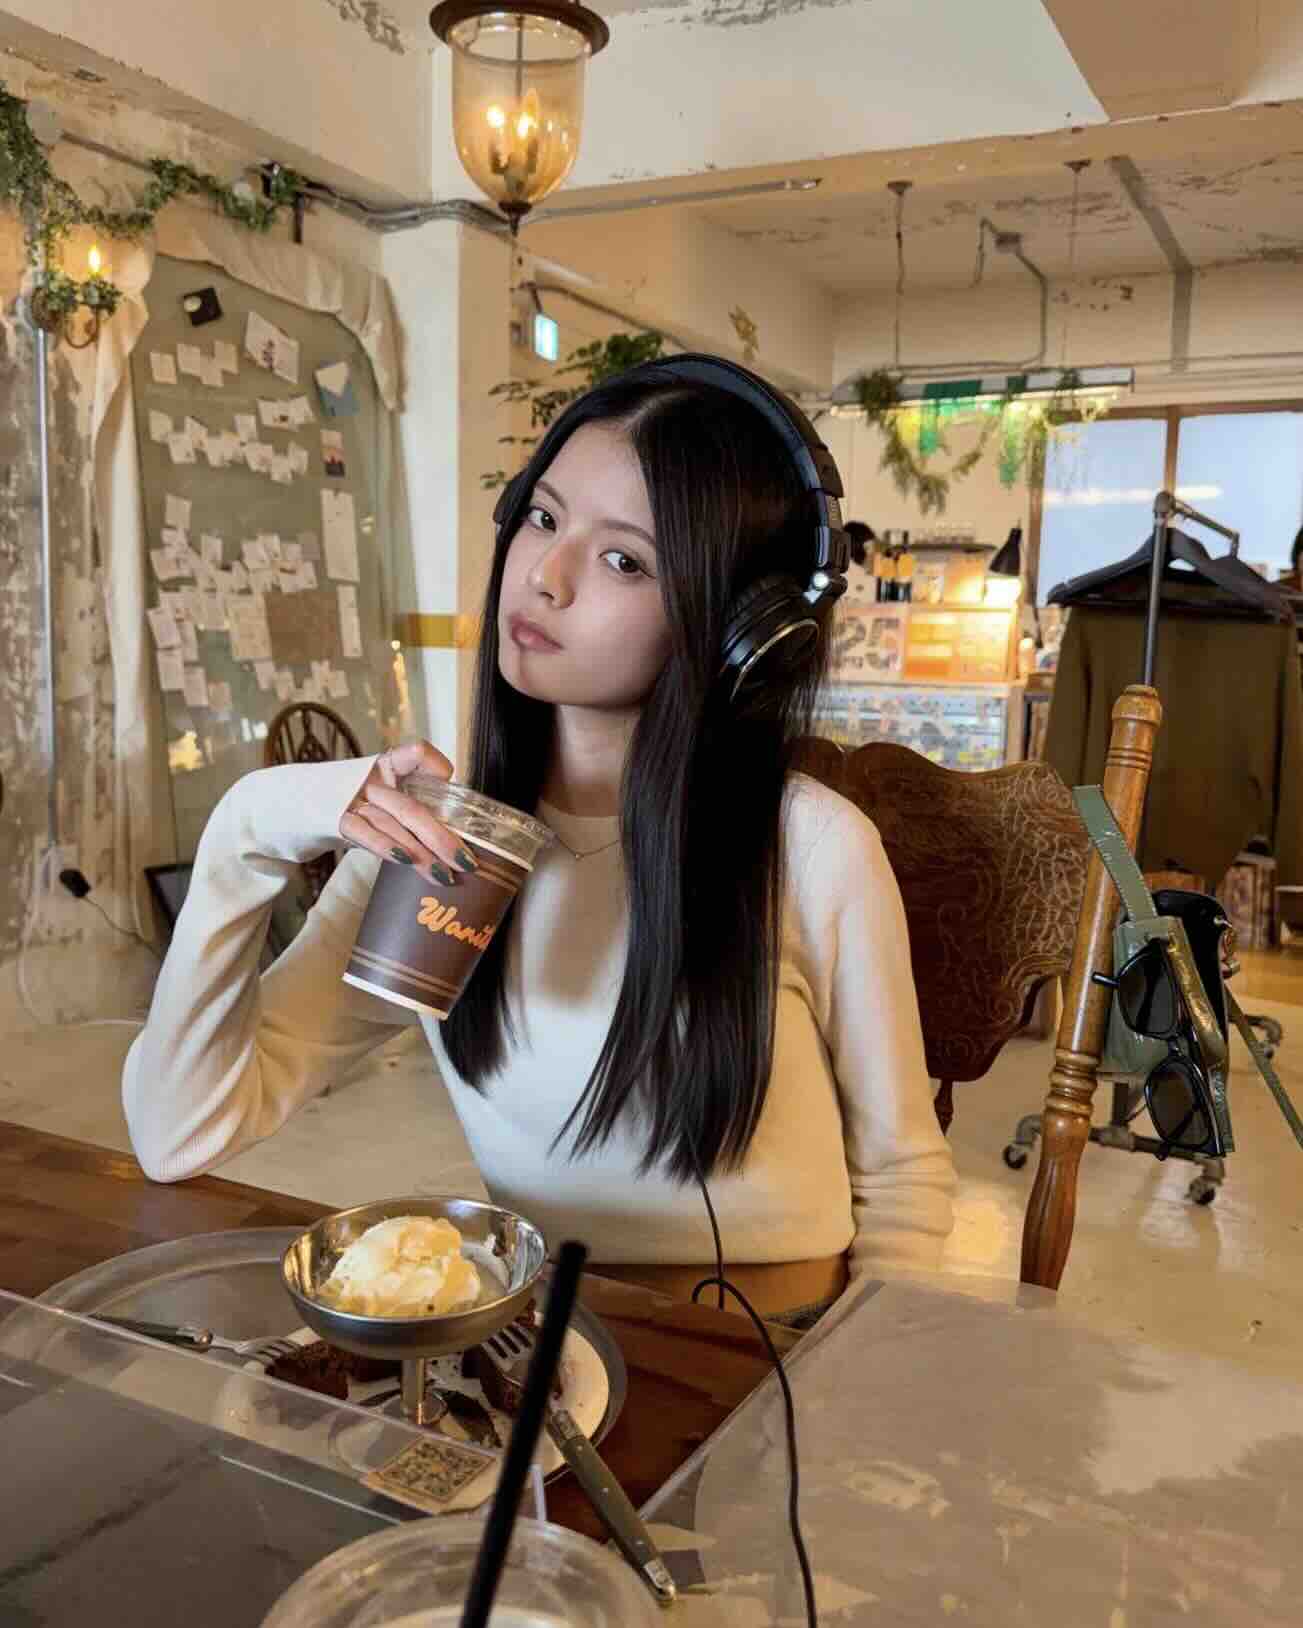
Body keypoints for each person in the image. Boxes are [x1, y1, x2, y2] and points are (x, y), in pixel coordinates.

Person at [123, 357, 955, 1326]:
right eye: (544, 518)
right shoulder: (442, 845)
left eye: (624, 560)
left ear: (741, 627)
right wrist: (243, 836)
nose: (544, 577)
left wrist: (863, 1382)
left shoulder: (812, 849)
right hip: (542, 1347)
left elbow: (901, 1179)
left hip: (772, 1350)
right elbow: (179, 1133)